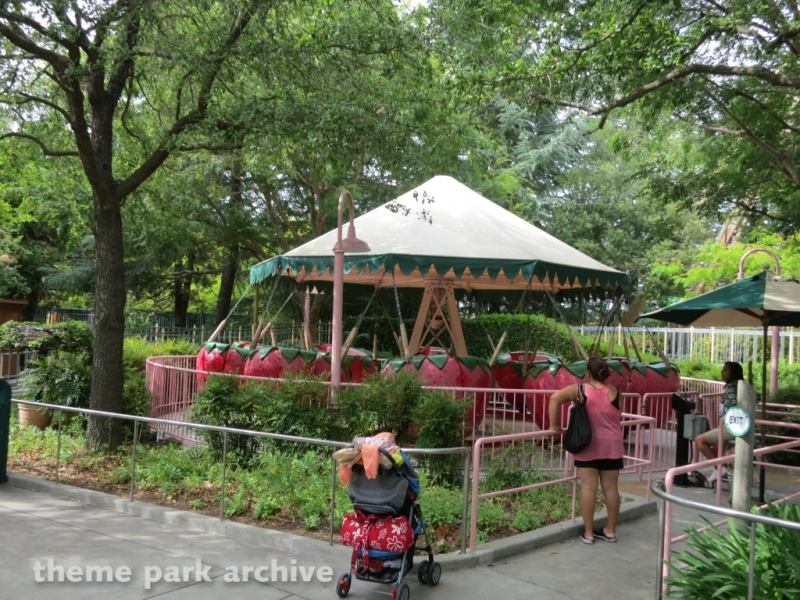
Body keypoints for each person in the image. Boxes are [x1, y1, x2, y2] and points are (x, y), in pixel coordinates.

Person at [549, 356, 623, 545]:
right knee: (611, 489)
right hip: (613, 445)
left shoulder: (579, 389)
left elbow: (554, 398)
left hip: (587, 443)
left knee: (589, 488)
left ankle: (589, 533)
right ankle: (610, 531)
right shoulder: (615, 391)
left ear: (587, 373)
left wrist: (554, 426)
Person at [694, 362, 744, 476]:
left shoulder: (731, 388)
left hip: (730, 428)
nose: (722, 372)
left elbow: (733, 405)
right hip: (739, 427)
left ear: (733, 373)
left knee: (699, 440)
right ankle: (721, 472)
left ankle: (720, 469)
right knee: (716, 452)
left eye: (725, 370)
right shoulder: (742, 386)